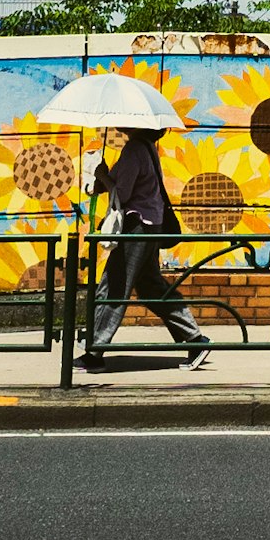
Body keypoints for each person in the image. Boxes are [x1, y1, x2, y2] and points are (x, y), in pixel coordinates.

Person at [82, 125, 212, 370]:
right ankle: (195, 340)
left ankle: (95, 351)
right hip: (152, 225)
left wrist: (102, 176)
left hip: (137, 227)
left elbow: (123, 192)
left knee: (113, 287)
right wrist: (101, 178)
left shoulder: (133, 149)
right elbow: (127, 184)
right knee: (152, 288)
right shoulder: (148, 149)